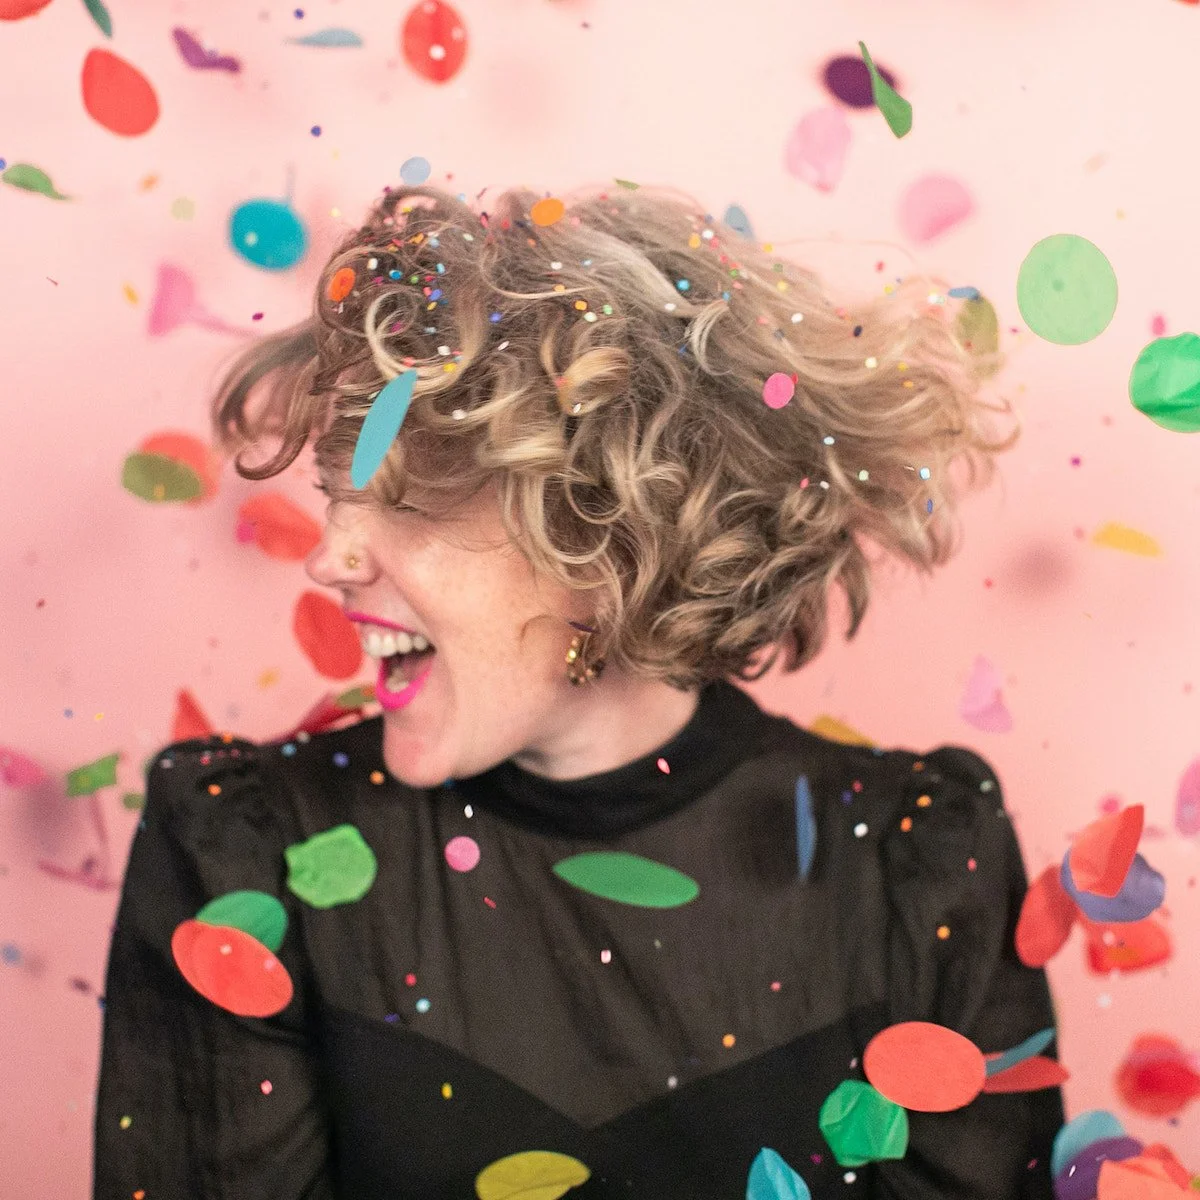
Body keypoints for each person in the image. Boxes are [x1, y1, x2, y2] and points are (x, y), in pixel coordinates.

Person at [92, 182, 1064, 1199]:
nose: (330, 559)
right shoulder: (251, 854)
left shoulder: (915, 866)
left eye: (411, 499)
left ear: (616, 538)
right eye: (339, 491)